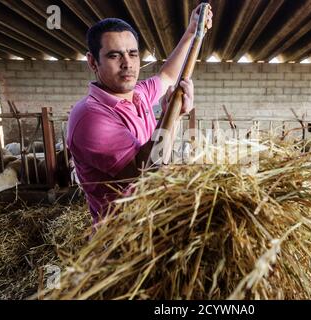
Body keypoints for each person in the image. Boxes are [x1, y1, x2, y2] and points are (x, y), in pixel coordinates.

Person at [67, 5, 213, 224]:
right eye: (114, 56)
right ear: (92, 62)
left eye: (132, 54)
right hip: (122, 240)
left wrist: (192, 31)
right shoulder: (90, 117)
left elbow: (167, 75)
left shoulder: (139, 94)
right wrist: (174, 116)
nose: (127, 64)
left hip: (152, 221)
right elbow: (144, 172)